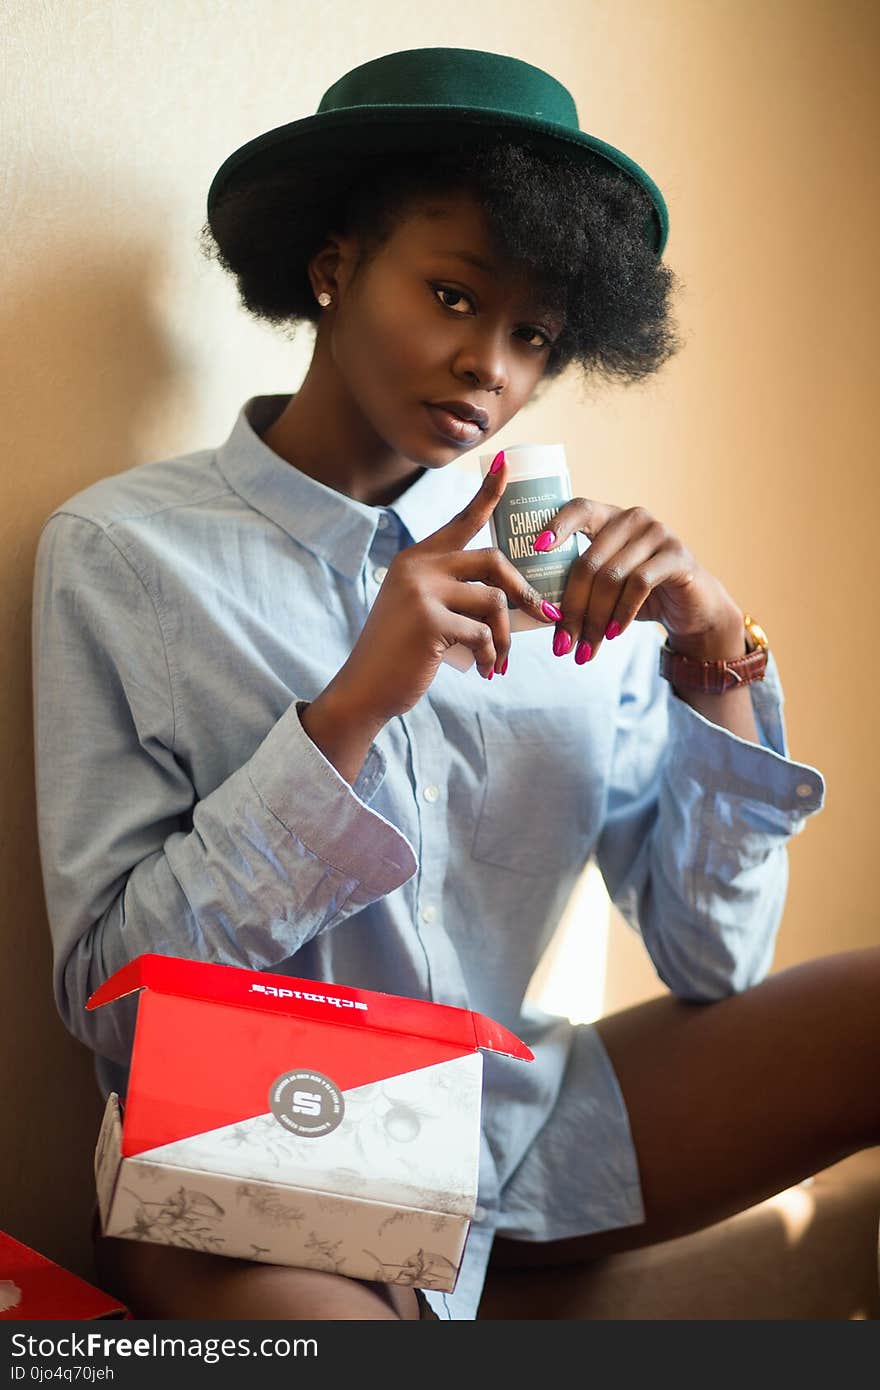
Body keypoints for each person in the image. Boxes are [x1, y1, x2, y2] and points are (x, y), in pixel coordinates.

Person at [31, 47, 878, 1322]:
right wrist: (351, 708)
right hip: (253, 1147)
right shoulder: (124, 554)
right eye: (450, 294)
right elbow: (116, 1000)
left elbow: (716, 959)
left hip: (513, 1130)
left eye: (532, 334)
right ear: (330, 266)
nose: (490, 363)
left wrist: (714, 661)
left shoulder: (570, 579)